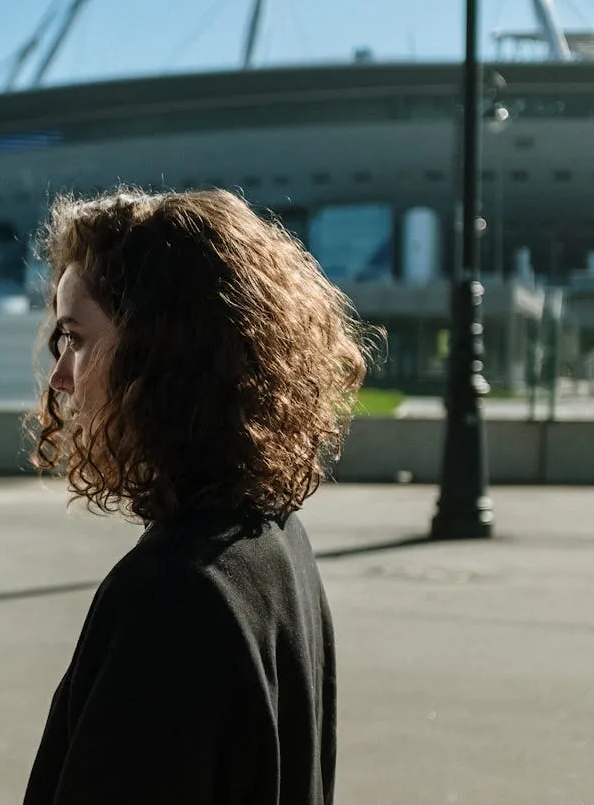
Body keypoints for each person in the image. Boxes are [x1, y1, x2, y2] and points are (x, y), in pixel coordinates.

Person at [21, 187, 381, 804]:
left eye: (76, 339)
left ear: (161, 353)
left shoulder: (172, 591)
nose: (60, 377)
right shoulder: (275, 538)